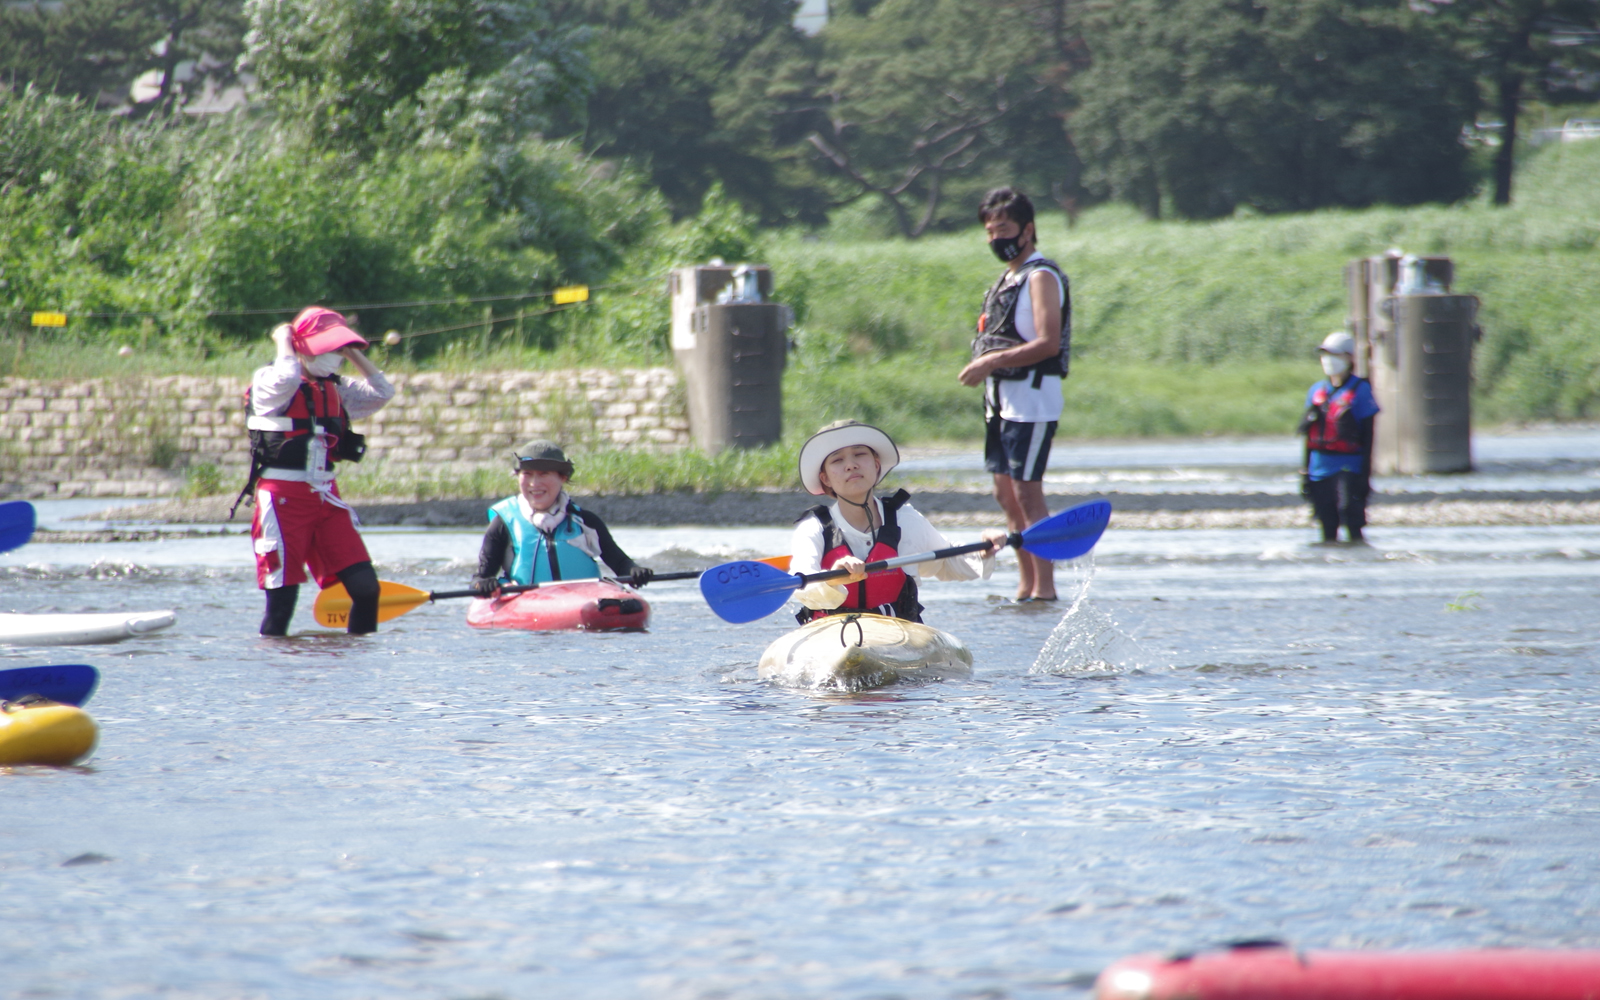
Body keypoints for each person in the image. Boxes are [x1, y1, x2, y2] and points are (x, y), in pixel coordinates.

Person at [244, 307, 395, 636]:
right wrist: (284, 340)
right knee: (282, 606)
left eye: (336, 349)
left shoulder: (335, 388)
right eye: (325, 348)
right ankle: (278, 673)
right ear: (300, 346)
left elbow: (383, 393)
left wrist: (352, 352)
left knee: (367, 590)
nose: (332, 357)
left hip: (326, 497)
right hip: (282, 501)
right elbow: (287, 376)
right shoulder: (270, 382)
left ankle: (359, 667)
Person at [957, 187, 1069, 602]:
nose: (994, 238)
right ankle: (1025, 587)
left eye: (1002, 228)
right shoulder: (1007, 278)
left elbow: (1048, 342)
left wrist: (990, 362)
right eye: (988, 230)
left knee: (1027, 491)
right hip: (999, 399)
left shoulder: (1040, 275)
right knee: (1005, 494)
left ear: (1028, 229)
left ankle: (1046, 591)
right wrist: (989, 369)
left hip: (1032, 398)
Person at [788, 420, 1009, 624]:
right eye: (837, 460)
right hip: (832, 632)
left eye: (859, 454)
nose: (851, 465)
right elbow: (802, 583)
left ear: (876, 465)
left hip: (897, 631)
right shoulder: (813, 528)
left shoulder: (905, 518)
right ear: (825, 478)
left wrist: (983, 549)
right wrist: (832, 578)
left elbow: (945, 562)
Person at [470, 441, 651, 594]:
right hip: (527, 606)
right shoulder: (503, 523)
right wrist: (483, 585)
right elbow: (480, 578)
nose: (534, 483)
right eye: (527, 474)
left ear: (562, 478)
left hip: (583, 602)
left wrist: (635, 572)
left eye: (543, 474)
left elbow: (620, 564)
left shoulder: (586, 522)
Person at [1299, 331, 1380, 545]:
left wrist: (1365, 475)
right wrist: (1305, 472)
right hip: (1319, 466)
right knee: (1326, 520)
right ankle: (1329, 564)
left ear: (1349, 358)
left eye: (1334, 355)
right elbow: (1308, 437)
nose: (1328, 361)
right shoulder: (1317, 390)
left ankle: (1358, 561)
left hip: (1349, 466)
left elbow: (1369, 436)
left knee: (1350, 515)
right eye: (1325, 355)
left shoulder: (1361, 390)